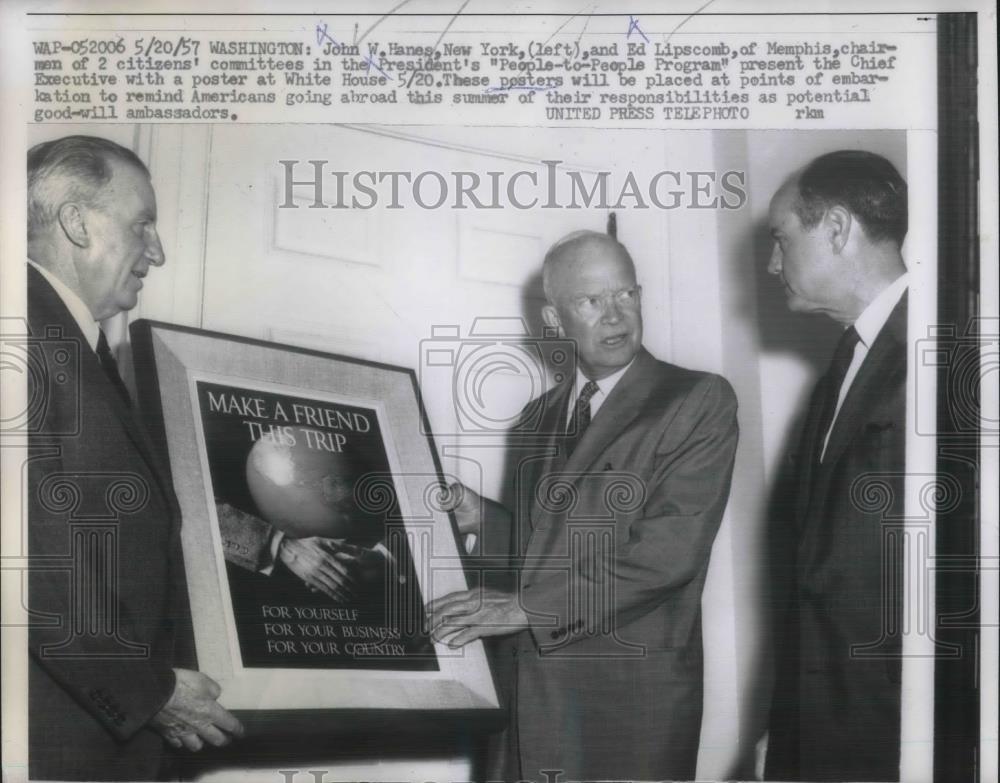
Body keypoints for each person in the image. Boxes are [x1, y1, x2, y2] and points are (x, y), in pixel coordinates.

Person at [428, 230, 739, 781]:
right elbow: (539, 549)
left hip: (627, 705)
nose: (616, 315)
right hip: (530, 696)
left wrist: (525, 609)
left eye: (626, 294)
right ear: (553, 320)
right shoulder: (534, 417)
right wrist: (485, 519)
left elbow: (668, 556)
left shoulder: (696, 398)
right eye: (591, 301)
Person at [26, 135, 244, 780]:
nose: (158, 251)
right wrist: (146, 690)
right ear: (76, 222)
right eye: (141, 223)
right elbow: (23, 553)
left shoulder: (66, 340)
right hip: (56, 739)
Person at [763, 150, 909, 781]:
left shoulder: (943, 349)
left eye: (781, 239)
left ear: (838, 228)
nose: (773, 264)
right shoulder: (843, 369)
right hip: (823, 725)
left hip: (895, 730)